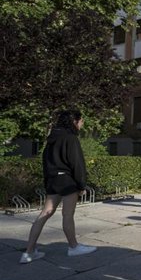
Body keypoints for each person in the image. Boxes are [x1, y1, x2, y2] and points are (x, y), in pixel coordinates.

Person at [20, 110, 97, 263]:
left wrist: (48, 181)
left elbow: (45, 162)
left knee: (45, 213)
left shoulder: (51, 138)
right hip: (67, 181)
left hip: (53, 180)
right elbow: (77, 163)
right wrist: (81, 184)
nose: (82, 123)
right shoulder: (71, 138)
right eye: (81, 120)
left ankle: (28, 252)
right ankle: (74, 247)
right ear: (74, 121)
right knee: (68, 215)